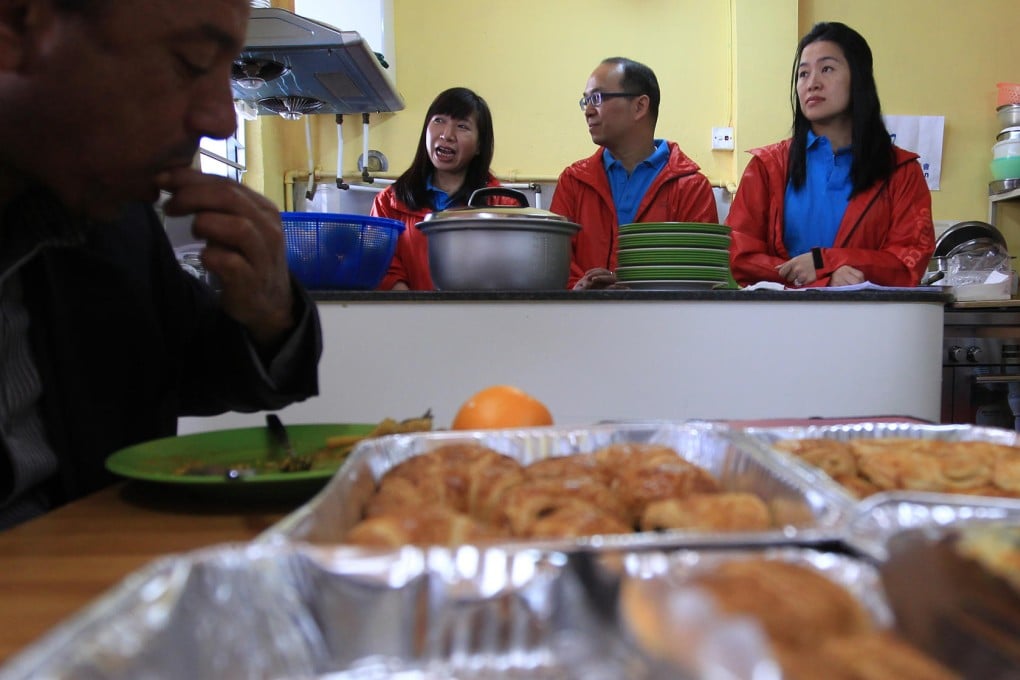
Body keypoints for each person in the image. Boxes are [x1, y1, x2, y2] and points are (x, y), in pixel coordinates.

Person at [0, 0, 322, 529]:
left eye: (231, 73)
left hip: (92, 585)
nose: (222, 120)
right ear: (15, 26)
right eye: (192, 61)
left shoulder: (109, 219)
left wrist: (269, 313)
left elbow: (190, 368)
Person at [727, 22, 934, 288]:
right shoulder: (767, 167)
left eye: (827, 69)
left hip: (870, 323)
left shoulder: (901, 171)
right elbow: (739, 259)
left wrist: (825, 260)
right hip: (781, 322)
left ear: (858, 79)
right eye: (803, 74)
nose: (812, 83)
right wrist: (822, 279)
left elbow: (908, 265)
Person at [550, 57, 719, 290]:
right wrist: (585, 290)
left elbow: (699, 277)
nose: (588, 111)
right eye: (586, 100)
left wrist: (634, 292)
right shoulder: (573, 181)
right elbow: (555, 264)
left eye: (597, 98)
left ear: (640, 106)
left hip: (661, 323)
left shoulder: (690, 186)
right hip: (581, 320)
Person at [373, 87, 507, 291]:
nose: (447, 134)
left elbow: (508, 272)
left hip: (479, 319)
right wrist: (414, 310)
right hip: (408, 317)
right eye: (439, 121)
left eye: (462, 126)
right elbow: (382, 265)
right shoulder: (389, 202)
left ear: (480, 145)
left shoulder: (503, 206)